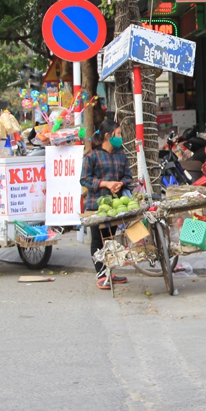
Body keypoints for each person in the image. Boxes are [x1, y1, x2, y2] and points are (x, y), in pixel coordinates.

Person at [80, 119, 133, 290]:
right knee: (98, 240)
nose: (120, 137)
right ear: (107, 135)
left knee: (110, 239)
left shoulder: (120, 154)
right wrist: (105, 184)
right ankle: (101, 274)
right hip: (97, 205)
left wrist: (120, 184)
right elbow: (85, 179)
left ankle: (110, 272)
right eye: (117, 134)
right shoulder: (92, 155)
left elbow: (128, 176)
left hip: (116, 205)